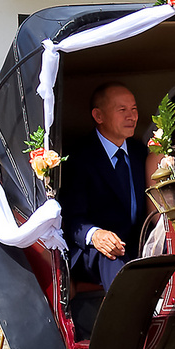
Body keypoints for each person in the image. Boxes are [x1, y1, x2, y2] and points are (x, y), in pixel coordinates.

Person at [61, 82, 149, 291]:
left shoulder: (141, 153)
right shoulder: (78, 157)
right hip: (95, 251)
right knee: (110, 254)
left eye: (134, 109)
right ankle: (127, 320)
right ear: (98, 116)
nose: (132, 116)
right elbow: (72, 218)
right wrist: (96, 235)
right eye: (122, 110)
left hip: (138, 243)